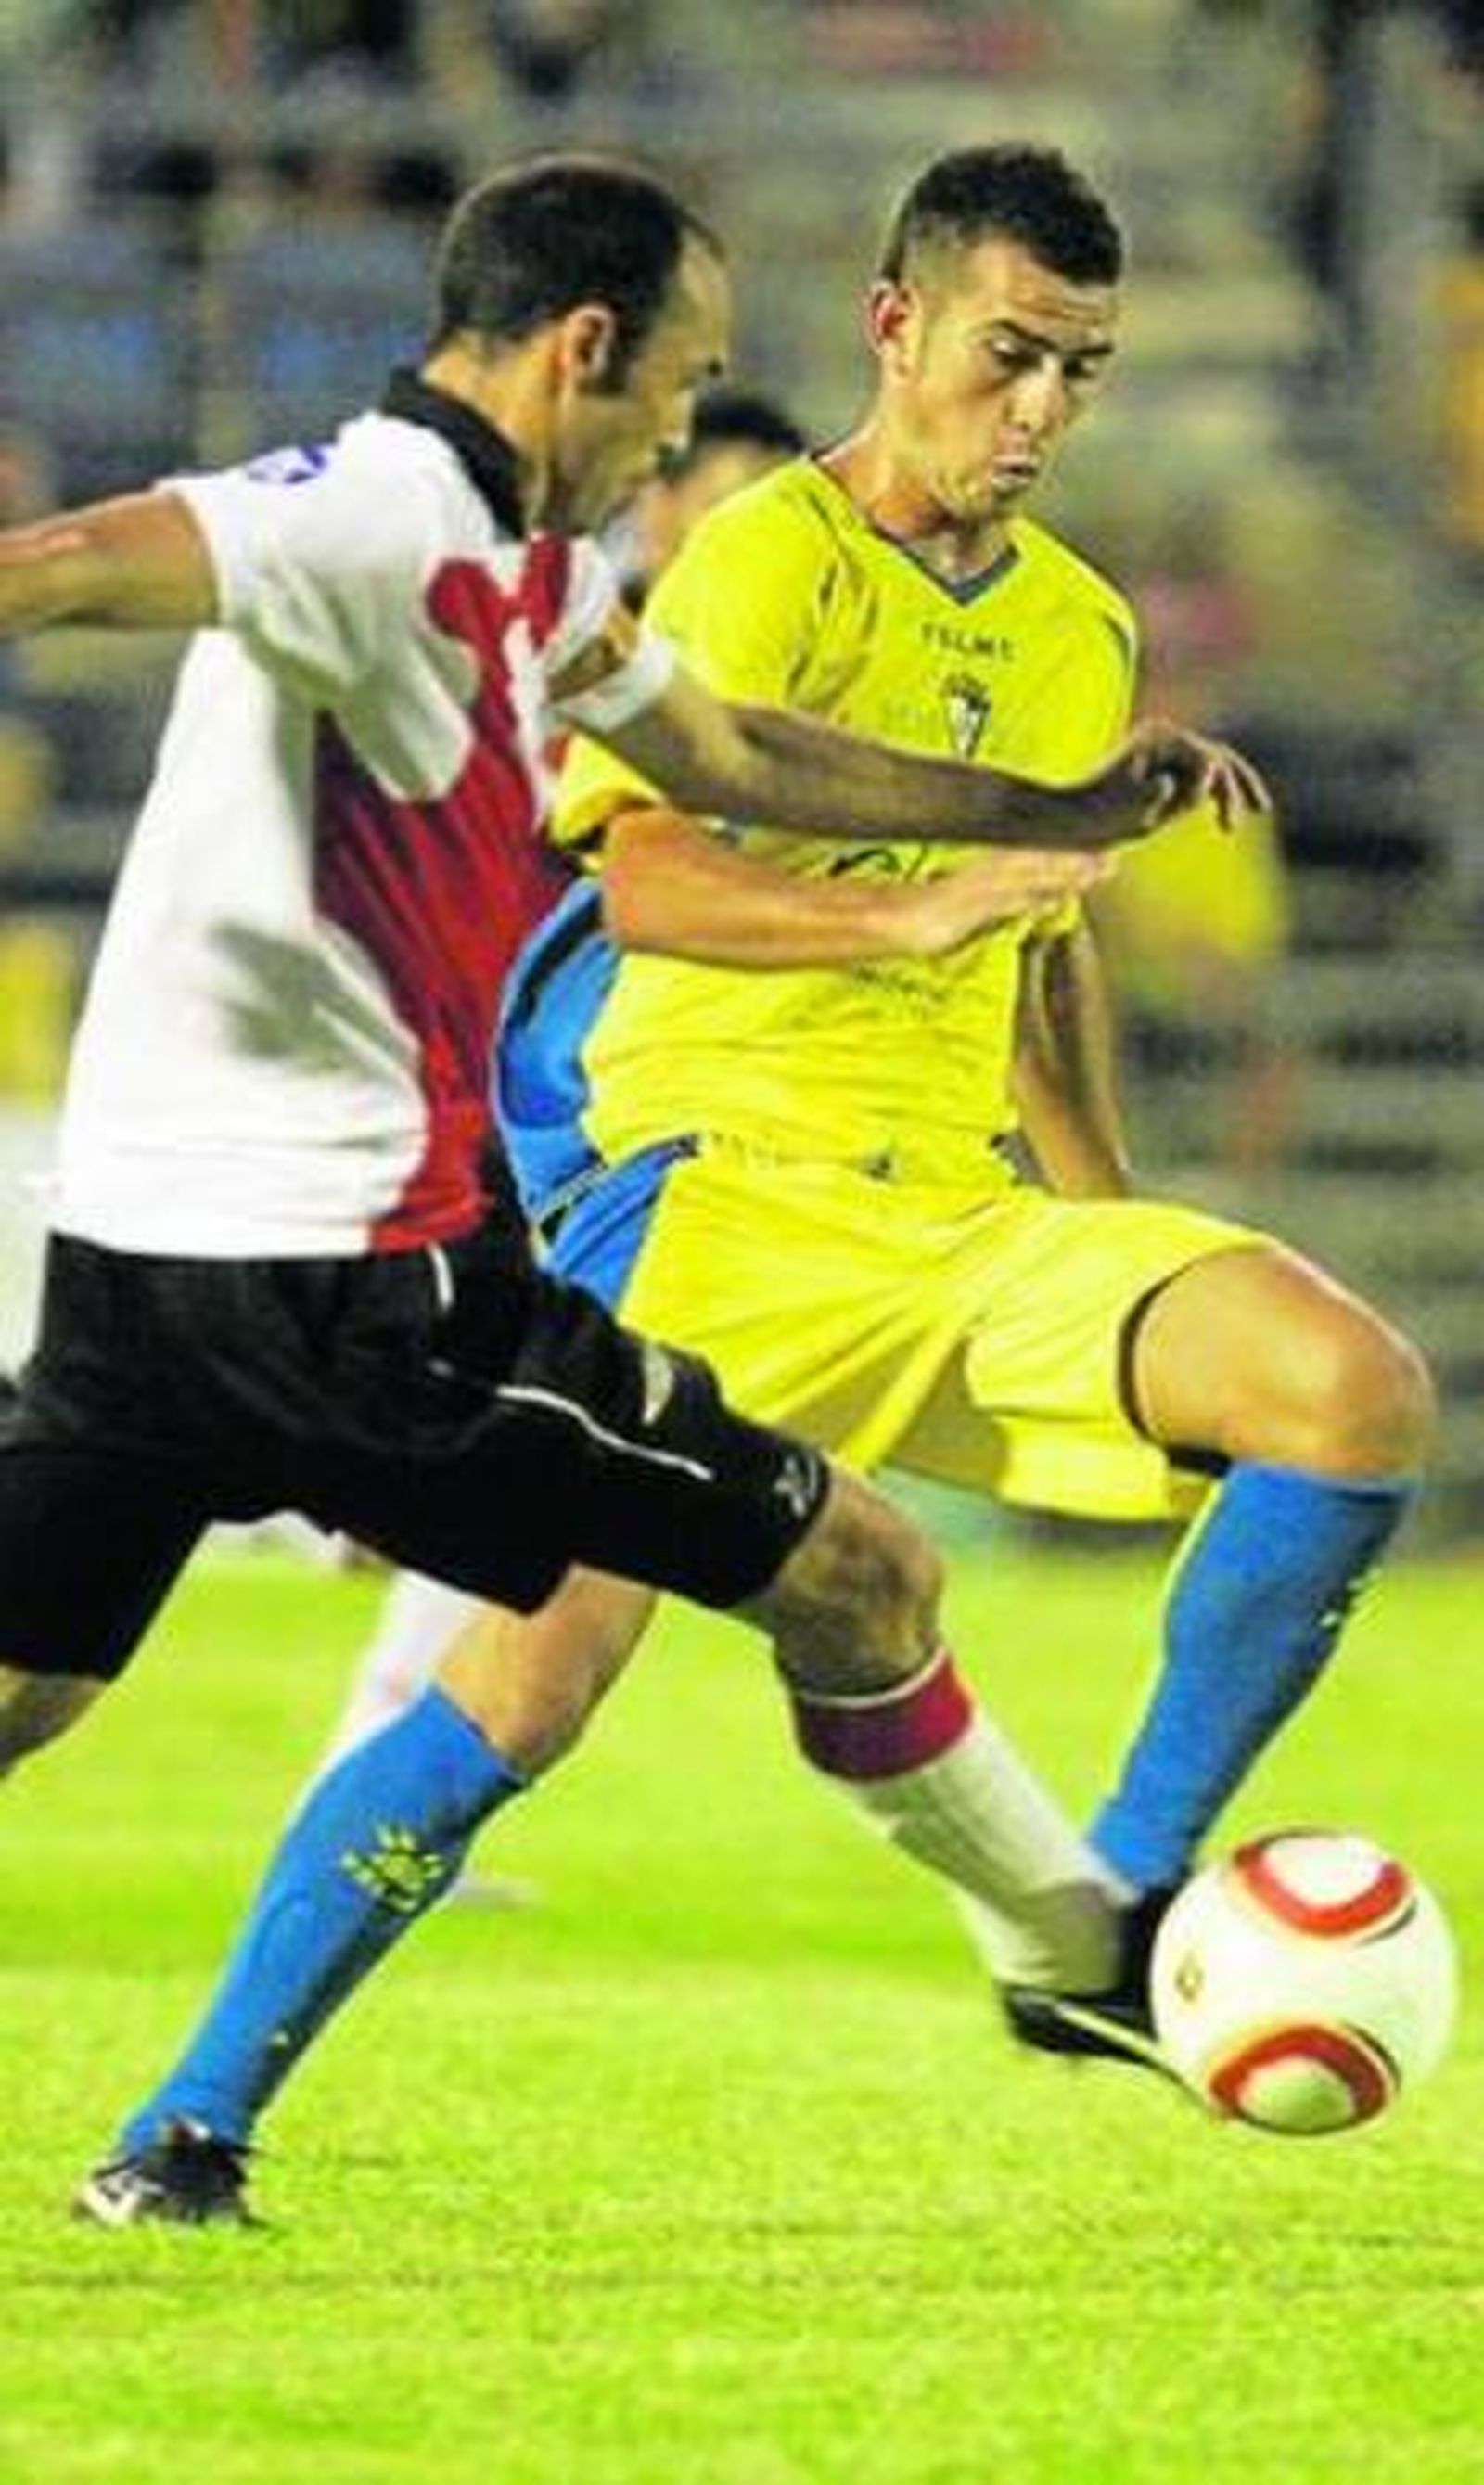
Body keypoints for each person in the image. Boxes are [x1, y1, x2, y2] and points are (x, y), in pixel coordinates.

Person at [111, 138, 1421, 2174]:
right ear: (896, 326)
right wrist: (913, 911)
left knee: (1345, 1390)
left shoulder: (1077, 629)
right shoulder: (760, 563)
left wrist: (1102, 1213)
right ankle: (189, 2120)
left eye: (1080, 370)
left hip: (952, 1213)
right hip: (706, 1198)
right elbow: (640, 876)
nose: (1040, 411)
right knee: (524, 1694)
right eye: (1008, 355)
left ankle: (1109, 1909)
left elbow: (1040, 940)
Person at [311, 387, 811, 1805]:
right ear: (662, 503)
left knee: (537, 1431)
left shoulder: (751, 690)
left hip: (592, 1091)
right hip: (469, 1059)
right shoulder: (573, 656)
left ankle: (373, 1721)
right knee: (508, 1426)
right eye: (729, 499)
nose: (750, 533)